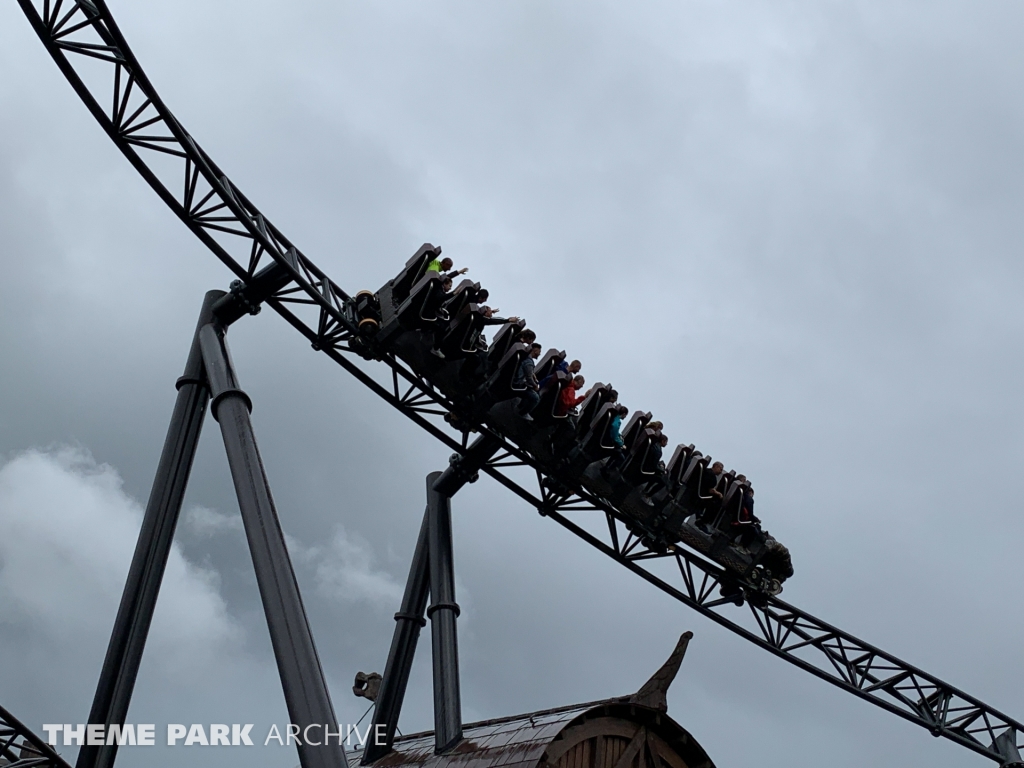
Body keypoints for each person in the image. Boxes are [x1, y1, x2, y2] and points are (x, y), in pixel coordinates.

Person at [513, 343, 542, 419]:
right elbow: (529, 378)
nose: (540, 354)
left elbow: (529, 373)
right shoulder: (529, 362)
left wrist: (533, 376)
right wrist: (535, 386)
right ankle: (523, 413)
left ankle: (520, 406)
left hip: (516, 380)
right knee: (536, 398)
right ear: (535, 351)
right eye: (539, 351)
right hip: (518, 384)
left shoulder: (525, 358)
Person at [601, 404, 630, 477]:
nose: (625, 417)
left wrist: (619, 435)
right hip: (609, 441)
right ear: (623, 414)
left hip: (607, 438)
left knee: (617, 452)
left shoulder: (615, 417)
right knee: (621, 457)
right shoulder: (618, 422)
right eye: (625, 415)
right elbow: (614, 433)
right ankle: (607, 469)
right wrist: (621, 444)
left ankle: (606, 466)